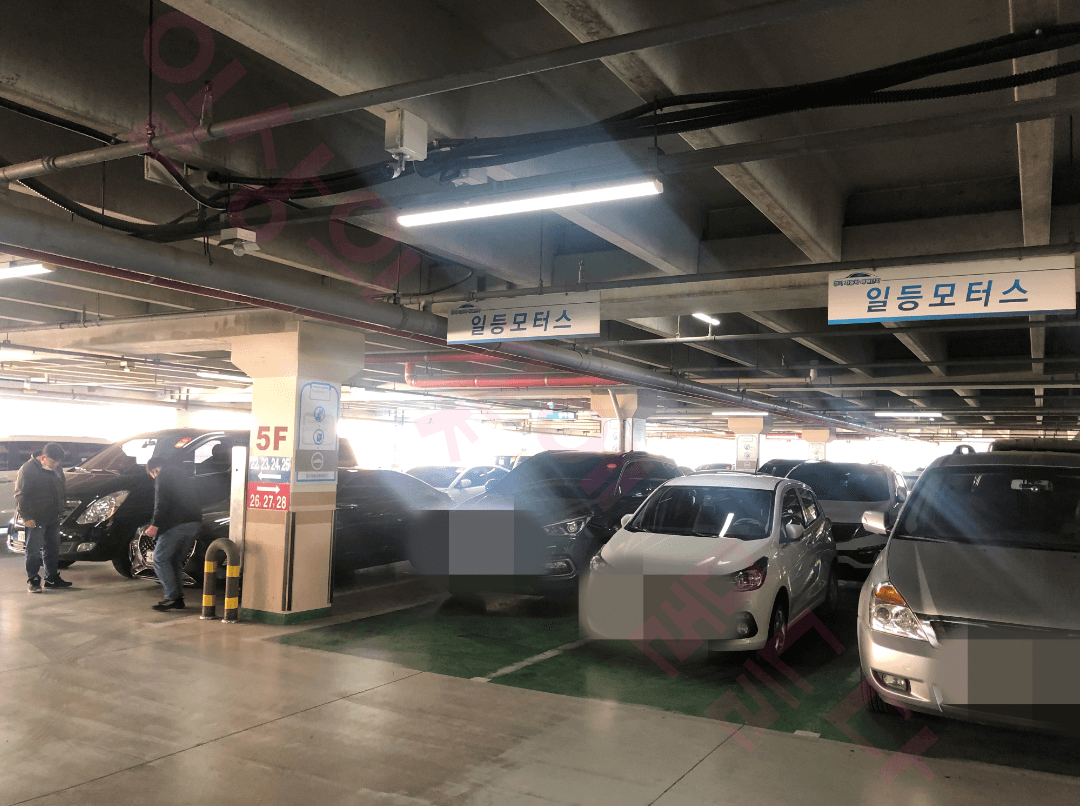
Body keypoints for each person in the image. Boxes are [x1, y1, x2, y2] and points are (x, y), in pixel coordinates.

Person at [145, 455, 203, 612]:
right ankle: (177, 599)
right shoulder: (182, 474)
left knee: (160, 559)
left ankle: (172, 597)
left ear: (154, 470)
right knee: (175, 560)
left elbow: (162, 502)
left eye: (152, 475)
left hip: (175, 525)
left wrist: (155, 525)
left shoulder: (163, 475)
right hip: (194, 523)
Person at [15, 443, 71, 593]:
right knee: (33, 550)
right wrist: (26, 516)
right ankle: (33, 580)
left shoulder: (57, 468)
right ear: (43, 457)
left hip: (53, 516)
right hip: (36, 517)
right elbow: (21, 495)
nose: (55, 466)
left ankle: (51, 578)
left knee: (52, 548)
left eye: (58, 463)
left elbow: (61, 488)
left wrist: (61, 509)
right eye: (53, 462)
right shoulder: (29, 469)